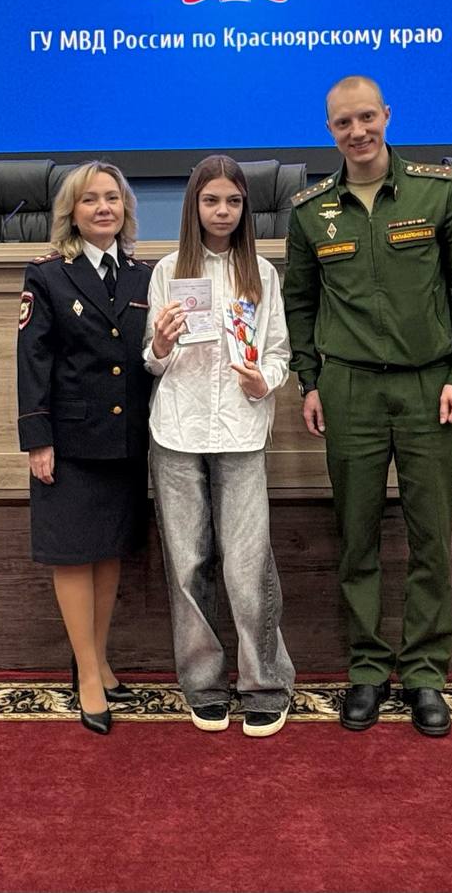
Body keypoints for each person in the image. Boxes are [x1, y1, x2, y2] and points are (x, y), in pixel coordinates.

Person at [283, 76, 452, 737]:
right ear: (330, 130)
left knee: (431, 535)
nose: (358, 131)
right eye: (344, 122)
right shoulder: (309, 210)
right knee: (357, 536)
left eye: (367, 117)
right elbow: (299, 304)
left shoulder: (438, 191)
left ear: (387, 115)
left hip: (429, 388)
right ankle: (368, 669)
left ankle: (426, 673)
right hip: (349, 390)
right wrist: (309, 381)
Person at [144, 155, 296, 737]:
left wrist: (265, 381)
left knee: (247, 564)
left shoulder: (263, 274)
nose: (223, 211)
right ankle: (203, 684)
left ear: (245, 207)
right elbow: (151, 361)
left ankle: (265, 684)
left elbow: (278, 353)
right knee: (187, 565)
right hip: (177, 432)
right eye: (212, 201)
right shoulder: (167, 272)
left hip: (240, 431)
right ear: (194, 206)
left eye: (233, 201)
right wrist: (160, 345)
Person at [16, 160, 153, 735]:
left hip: (125, 438)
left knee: (109, 550)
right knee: (73, 552)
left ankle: (96, 659)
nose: (103, 208)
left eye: (112, 198)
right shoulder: (48, 274)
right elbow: (33, 360)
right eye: (91, 199)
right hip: (70, 440)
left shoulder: (145, 276)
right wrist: (37, 438)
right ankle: (89, 677)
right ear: (71, 212)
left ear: (125, 209)